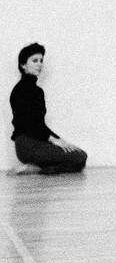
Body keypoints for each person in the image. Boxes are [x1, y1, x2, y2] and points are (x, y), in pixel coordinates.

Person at [9, 42, 87, 175]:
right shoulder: (22, 90)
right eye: (35, 60)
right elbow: (29, 124)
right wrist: (54, 140)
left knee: (79, 155)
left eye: (41, 60)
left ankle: (36, 167)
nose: (39, 64)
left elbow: (40, 124)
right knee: (79, 157)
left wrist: (60, 140)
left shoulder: (35, 90)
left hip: (36, 142)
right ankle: (36, 169)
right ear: (23, 65)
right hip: (27, 145)